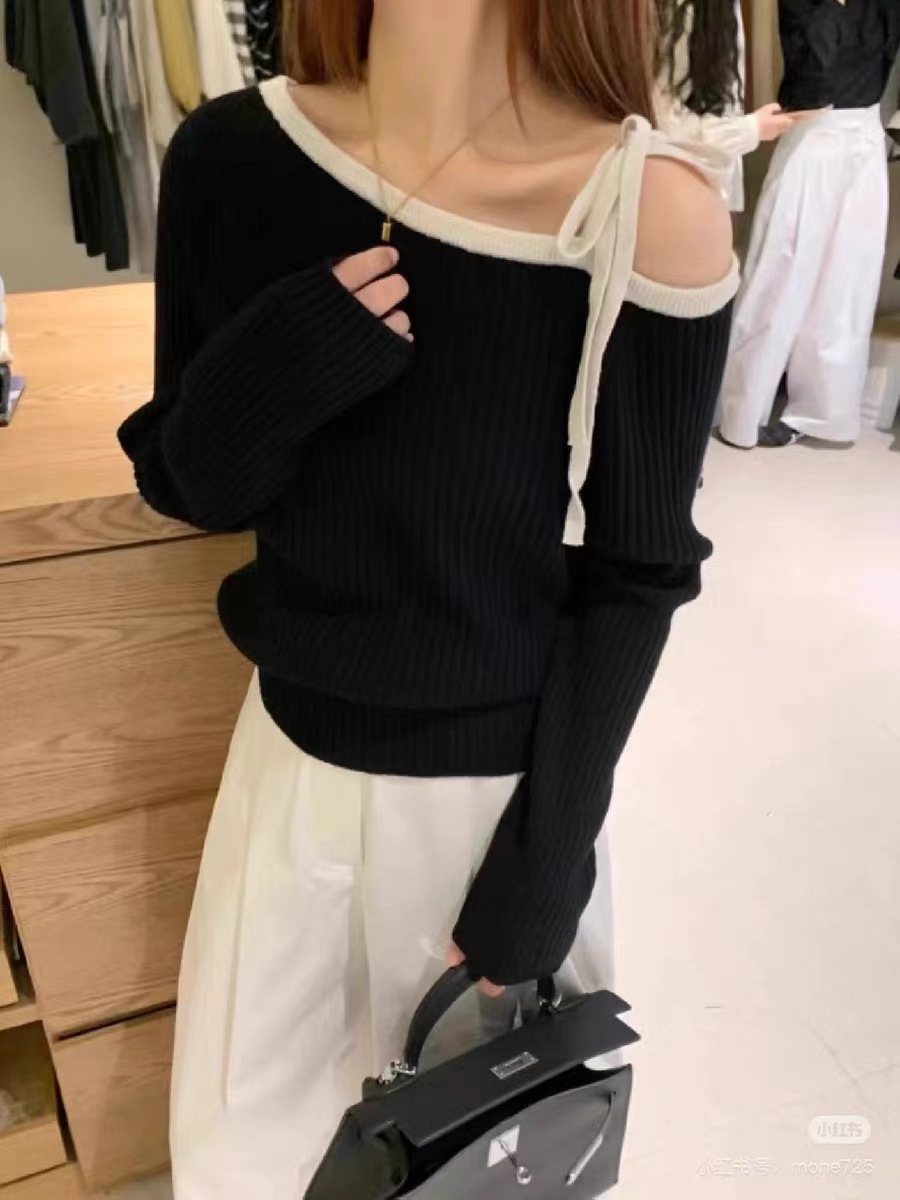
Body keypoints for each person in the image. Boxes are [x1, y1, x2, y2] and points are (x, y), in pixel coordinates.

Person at [117, 0, 737, 1194]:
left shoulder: (644, 207)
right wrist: (272, 374)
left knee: (466, 1170)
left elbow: (639, 573)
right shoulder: (232, 156)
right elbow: (186, 483)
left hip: (485, 816)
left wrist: (548, 861)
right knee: (246, 1160)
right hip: (283, 777)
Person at [720, 0, 900, 449]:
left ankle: (822, 413)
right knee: (776, 276)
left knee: (846, 285)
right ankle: (740, 413)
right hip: (812, 134)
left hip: (864, 139)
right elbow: (817, 70)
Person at [655, 0, 798, 210]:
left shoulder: (725, 9)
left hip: (714, 186)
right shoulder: (672, 13)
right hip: (672, 188)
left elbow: (726, 101)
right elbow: (662, 124)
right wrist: (749, 129)